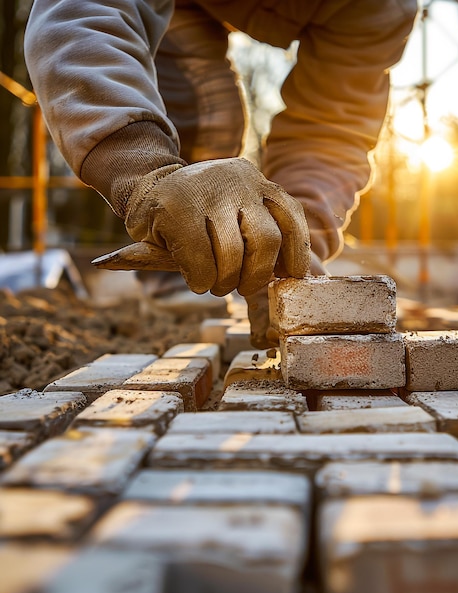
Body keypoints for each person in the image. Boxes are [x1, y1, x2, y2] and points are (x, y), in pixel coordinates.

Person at [24, 0, 417, 346]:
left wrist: (296, 235)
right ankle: (180, 298)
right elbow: (82, 17)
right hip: (174, 10)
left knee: (214, 121)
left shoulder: (379, 8)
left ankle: (220, 270)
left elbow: (332, 126)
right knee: (204, 115)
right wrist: (145, 170)